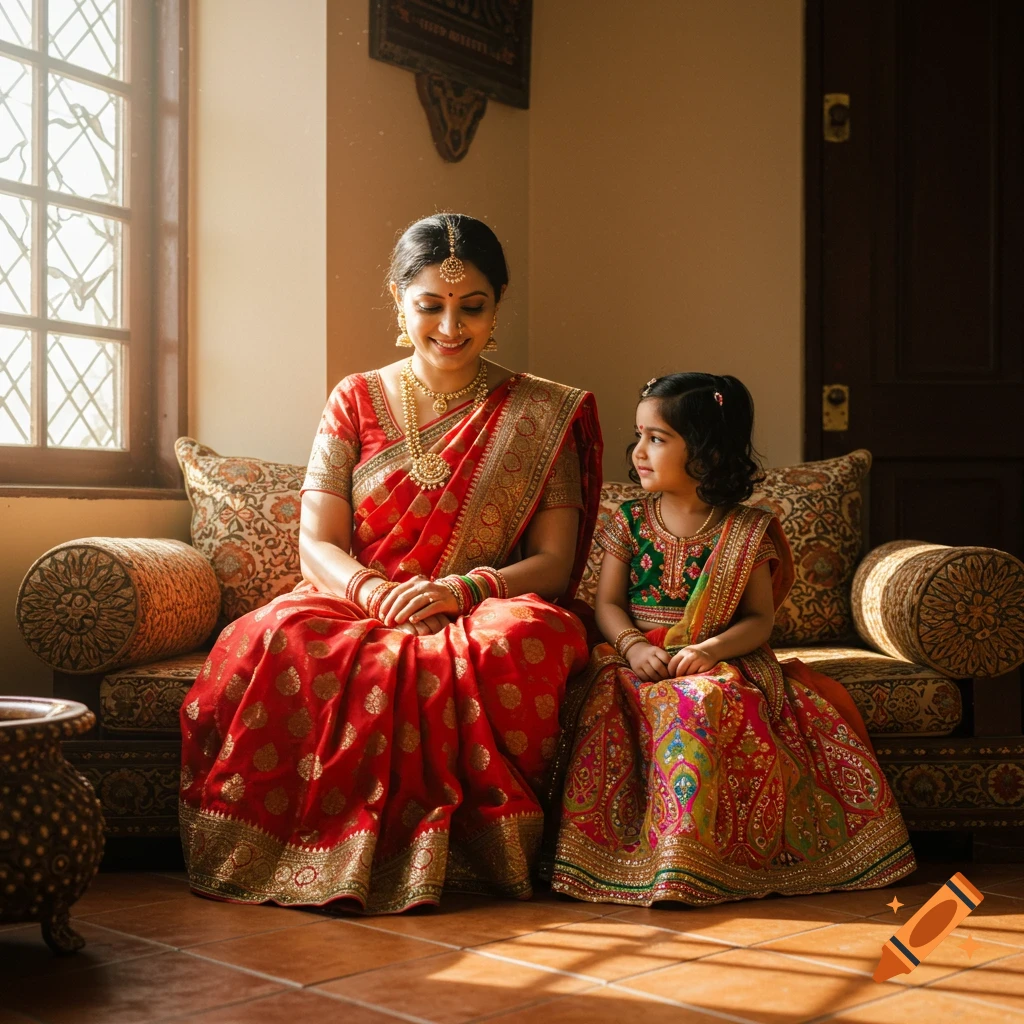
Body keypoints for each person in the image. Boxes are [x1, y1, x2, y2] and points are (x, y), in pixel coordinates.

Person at [179, 214, 602, 913]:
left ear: (498, 305)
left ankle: (474, 860)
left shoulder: (542, 411)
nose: (450, 327)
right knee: (276, 635)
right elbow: (316, 544)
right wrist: (374, 591)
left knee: (517, 639)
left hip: (480, 600)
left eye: (473, 307)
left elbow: (554, 564)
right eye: (429, 305)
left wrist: (463, 589)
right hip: (358, 596)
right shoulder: (355, 398)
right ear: (398, 302)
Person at [548, 372, 915, 905]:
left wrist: (708, 651)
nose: (639, 452)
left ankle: (700, 861)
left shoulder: (746, 530)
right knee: (614, 705)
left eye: (657, 438)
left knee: (704, 702)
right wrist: (634, 647)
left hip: (716, 658)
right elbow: (607, 603)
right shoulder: (628, 520)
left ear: (705, 453)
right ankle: (640, 859)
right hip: (635, 656)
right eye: (638, 435)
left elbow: (758, 620)